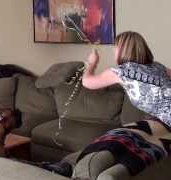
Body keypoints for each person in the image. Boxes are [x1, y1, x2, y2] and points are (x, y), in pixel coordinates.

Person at [70, 31, 171, 179]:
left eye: (115, 47)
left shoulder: (121, 71)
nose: (113, 50)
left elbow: (87, 82)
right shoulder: (157, 66)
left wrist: (92, 63)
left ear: (123, 49)